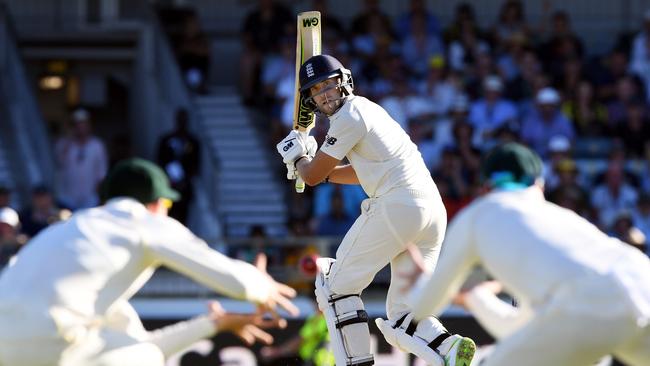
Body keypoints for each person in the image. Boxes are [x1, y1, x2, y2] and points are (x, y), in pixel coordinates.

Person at [275, 54, 475, 366]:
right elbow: (357, 172)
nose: (325, 93)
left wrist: (298, 158)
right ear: (310, 99)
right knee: (402, 316)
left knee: (334, 287)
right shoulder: (368, 111)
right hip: (430, 211)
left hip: (399, 206)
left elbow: (311, 177)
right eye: (317, 90)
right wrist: (309, 163)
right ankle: (448, 347)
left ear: (344, 82)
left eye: (329, 84)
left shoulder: (350, 115)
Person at [0, 158, 298, 366]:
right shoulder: (143, 221)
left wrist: (214, 323)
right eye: (167, 205)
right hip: (52, 342)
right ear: (157, 204)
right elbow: (234, 283)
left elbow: (142, 345)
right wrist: (262, 287)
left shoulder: (70, 232)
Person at [408, 142, 650, 365]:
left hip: (586, 306)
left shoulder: (475, 216)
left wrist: (419, 283)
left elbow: (422, 309)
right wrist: (476, 298)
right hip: (641, 278)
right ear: (539, 184)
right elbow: (524, 330)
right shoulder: (562, 218)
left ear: (484, 187)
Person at [55, 108, 109, 210]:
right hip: (67, 198)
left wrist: (96, 194)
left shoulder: (97, 145)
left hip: (89, 199)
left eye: (83, 124)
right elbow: (59, 163)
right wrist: (69, 139)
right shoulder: (63, 144)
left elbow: (102, 173)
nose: (81, 128)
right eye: (77, 125)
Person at [157, 108, 201, 224]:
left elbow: (195, 164)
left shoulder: (192, 141)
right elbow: (160, 161)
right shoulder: (166, 140)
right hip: (168, 187)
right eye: (180, 119)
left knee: (183, 218)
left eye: (184, 119)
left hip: (184, 189)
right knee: (167, 215)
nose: (182, 122)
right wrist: (168, 180)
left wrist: (185, 181)